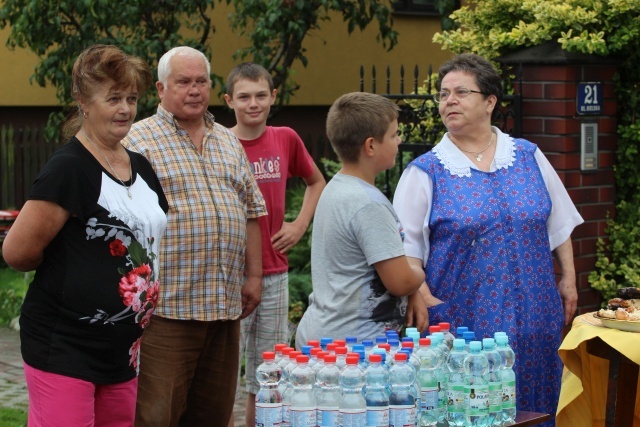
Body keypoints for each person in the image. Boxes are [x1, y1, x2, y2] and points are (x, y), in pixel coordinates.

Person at [392, 53, 584, 424]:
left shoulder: (528, 156)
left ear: (490, 102)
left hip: (537, 316)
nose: (449, 100)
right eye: (443, 93)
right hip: (466, 326)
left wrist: (570, 280)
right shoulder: (425, 171)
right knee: (478, 411)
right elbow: (406, 252)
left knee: (540, 405)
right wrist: (430, 303)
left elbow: (558, 224)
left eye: (461, 92)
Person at [1, 44, 168, 426]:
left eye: (131, 97)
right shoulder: (69, 169)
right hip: (65, 346)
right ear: (83, 102)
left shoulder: (141, 166)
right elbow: (18, 252)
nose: (125, 108)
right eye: (113, 98)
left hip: (122, 350)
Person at [122, 46, 267, 426]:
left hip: (224, 306)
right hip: (168, 309)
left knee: (214, 414)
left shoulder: (227, 140)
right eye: (183, 82)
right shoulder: (138, 141)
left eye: (201, 81)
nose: (194, 90)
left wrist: (253, 277)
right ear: (161, 88)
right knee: (157, 415)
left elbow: (252, 211)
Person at [224, 62, 326, 427]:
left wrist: (300, 224)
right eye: (244, 97)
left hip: (275, 271)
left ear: (273, 97)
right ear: (229, 101)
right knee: (222, 370)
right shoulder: (220, 142)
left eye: (261, 95)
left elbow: (317, 182)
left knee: (269, 369)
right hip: (231, 275)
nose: (253, 103)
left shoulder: (285, 138)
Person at [294, 92, 427, 350]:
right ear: (370, 146)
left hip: (325, 333)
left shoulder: (337, 188)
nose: (399, 140)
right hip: (353, 348)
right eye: (393, 134)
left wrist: (413, 292)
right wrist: (419, 274)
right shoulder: (368, 204)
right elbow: (399, 281)